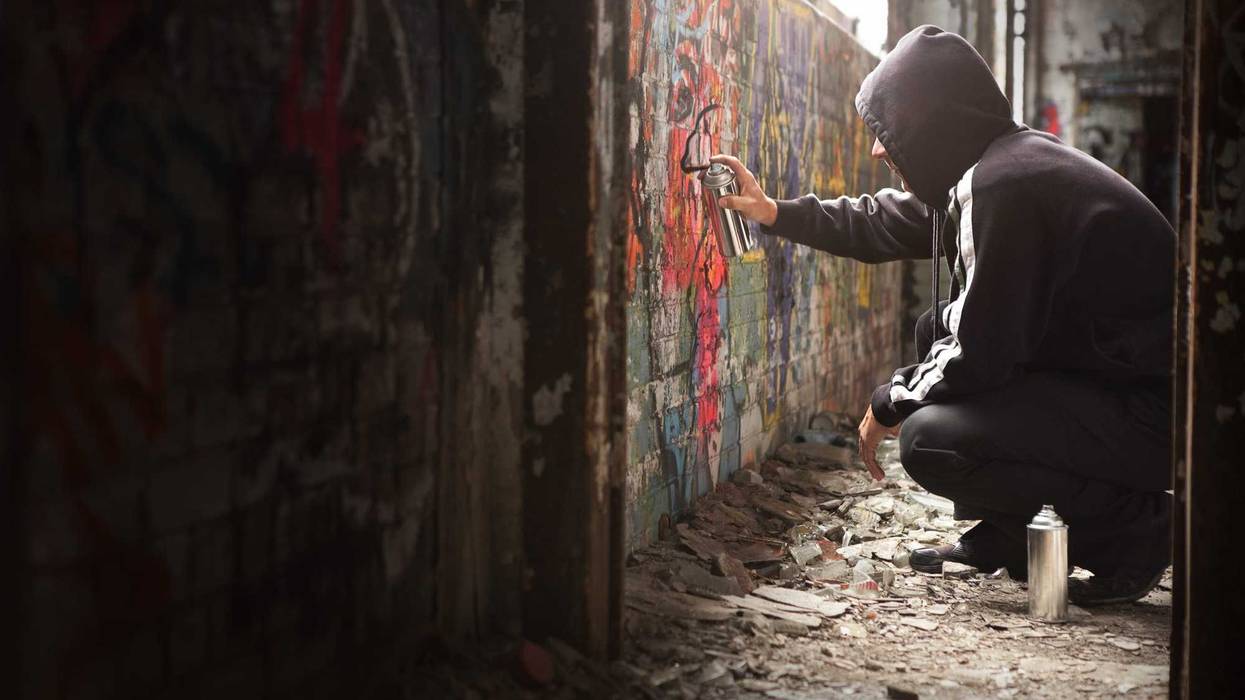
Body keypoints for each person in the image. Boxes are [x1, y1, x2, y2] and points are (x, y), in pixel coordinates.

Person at [711, 25, 1172, 605]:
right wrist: (773, 211)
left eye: (890, 132)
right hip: (1120, 389)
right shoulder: (996, 165)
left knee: (930, 439)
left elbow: (983, 350)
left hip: (1159, 417)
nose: (880, 149)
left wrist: (892, 400)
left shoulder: (1004, 184)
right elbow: (880, 221)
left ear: (932, 127)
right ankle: (1012, 535)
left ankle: (1138, 529)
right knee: (935, 332)